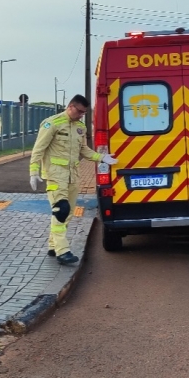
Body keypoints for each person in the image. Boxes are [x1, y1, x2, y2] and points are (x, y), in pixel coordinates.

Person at [29, 94, 118, 265]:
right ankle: (63, 251)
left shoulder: (80, 127)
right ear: (70, 107)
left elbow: (84, 150)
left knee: (67, 213)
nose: (81, 115)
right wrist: (33, 172)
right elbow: (38, 149)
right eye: (79, 111)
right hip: (56, 176)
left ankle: (53, 245)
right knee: (60, 210)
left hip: (73, 176)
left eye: (84, 113)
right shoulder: (52, 123)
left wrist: (102, 157)